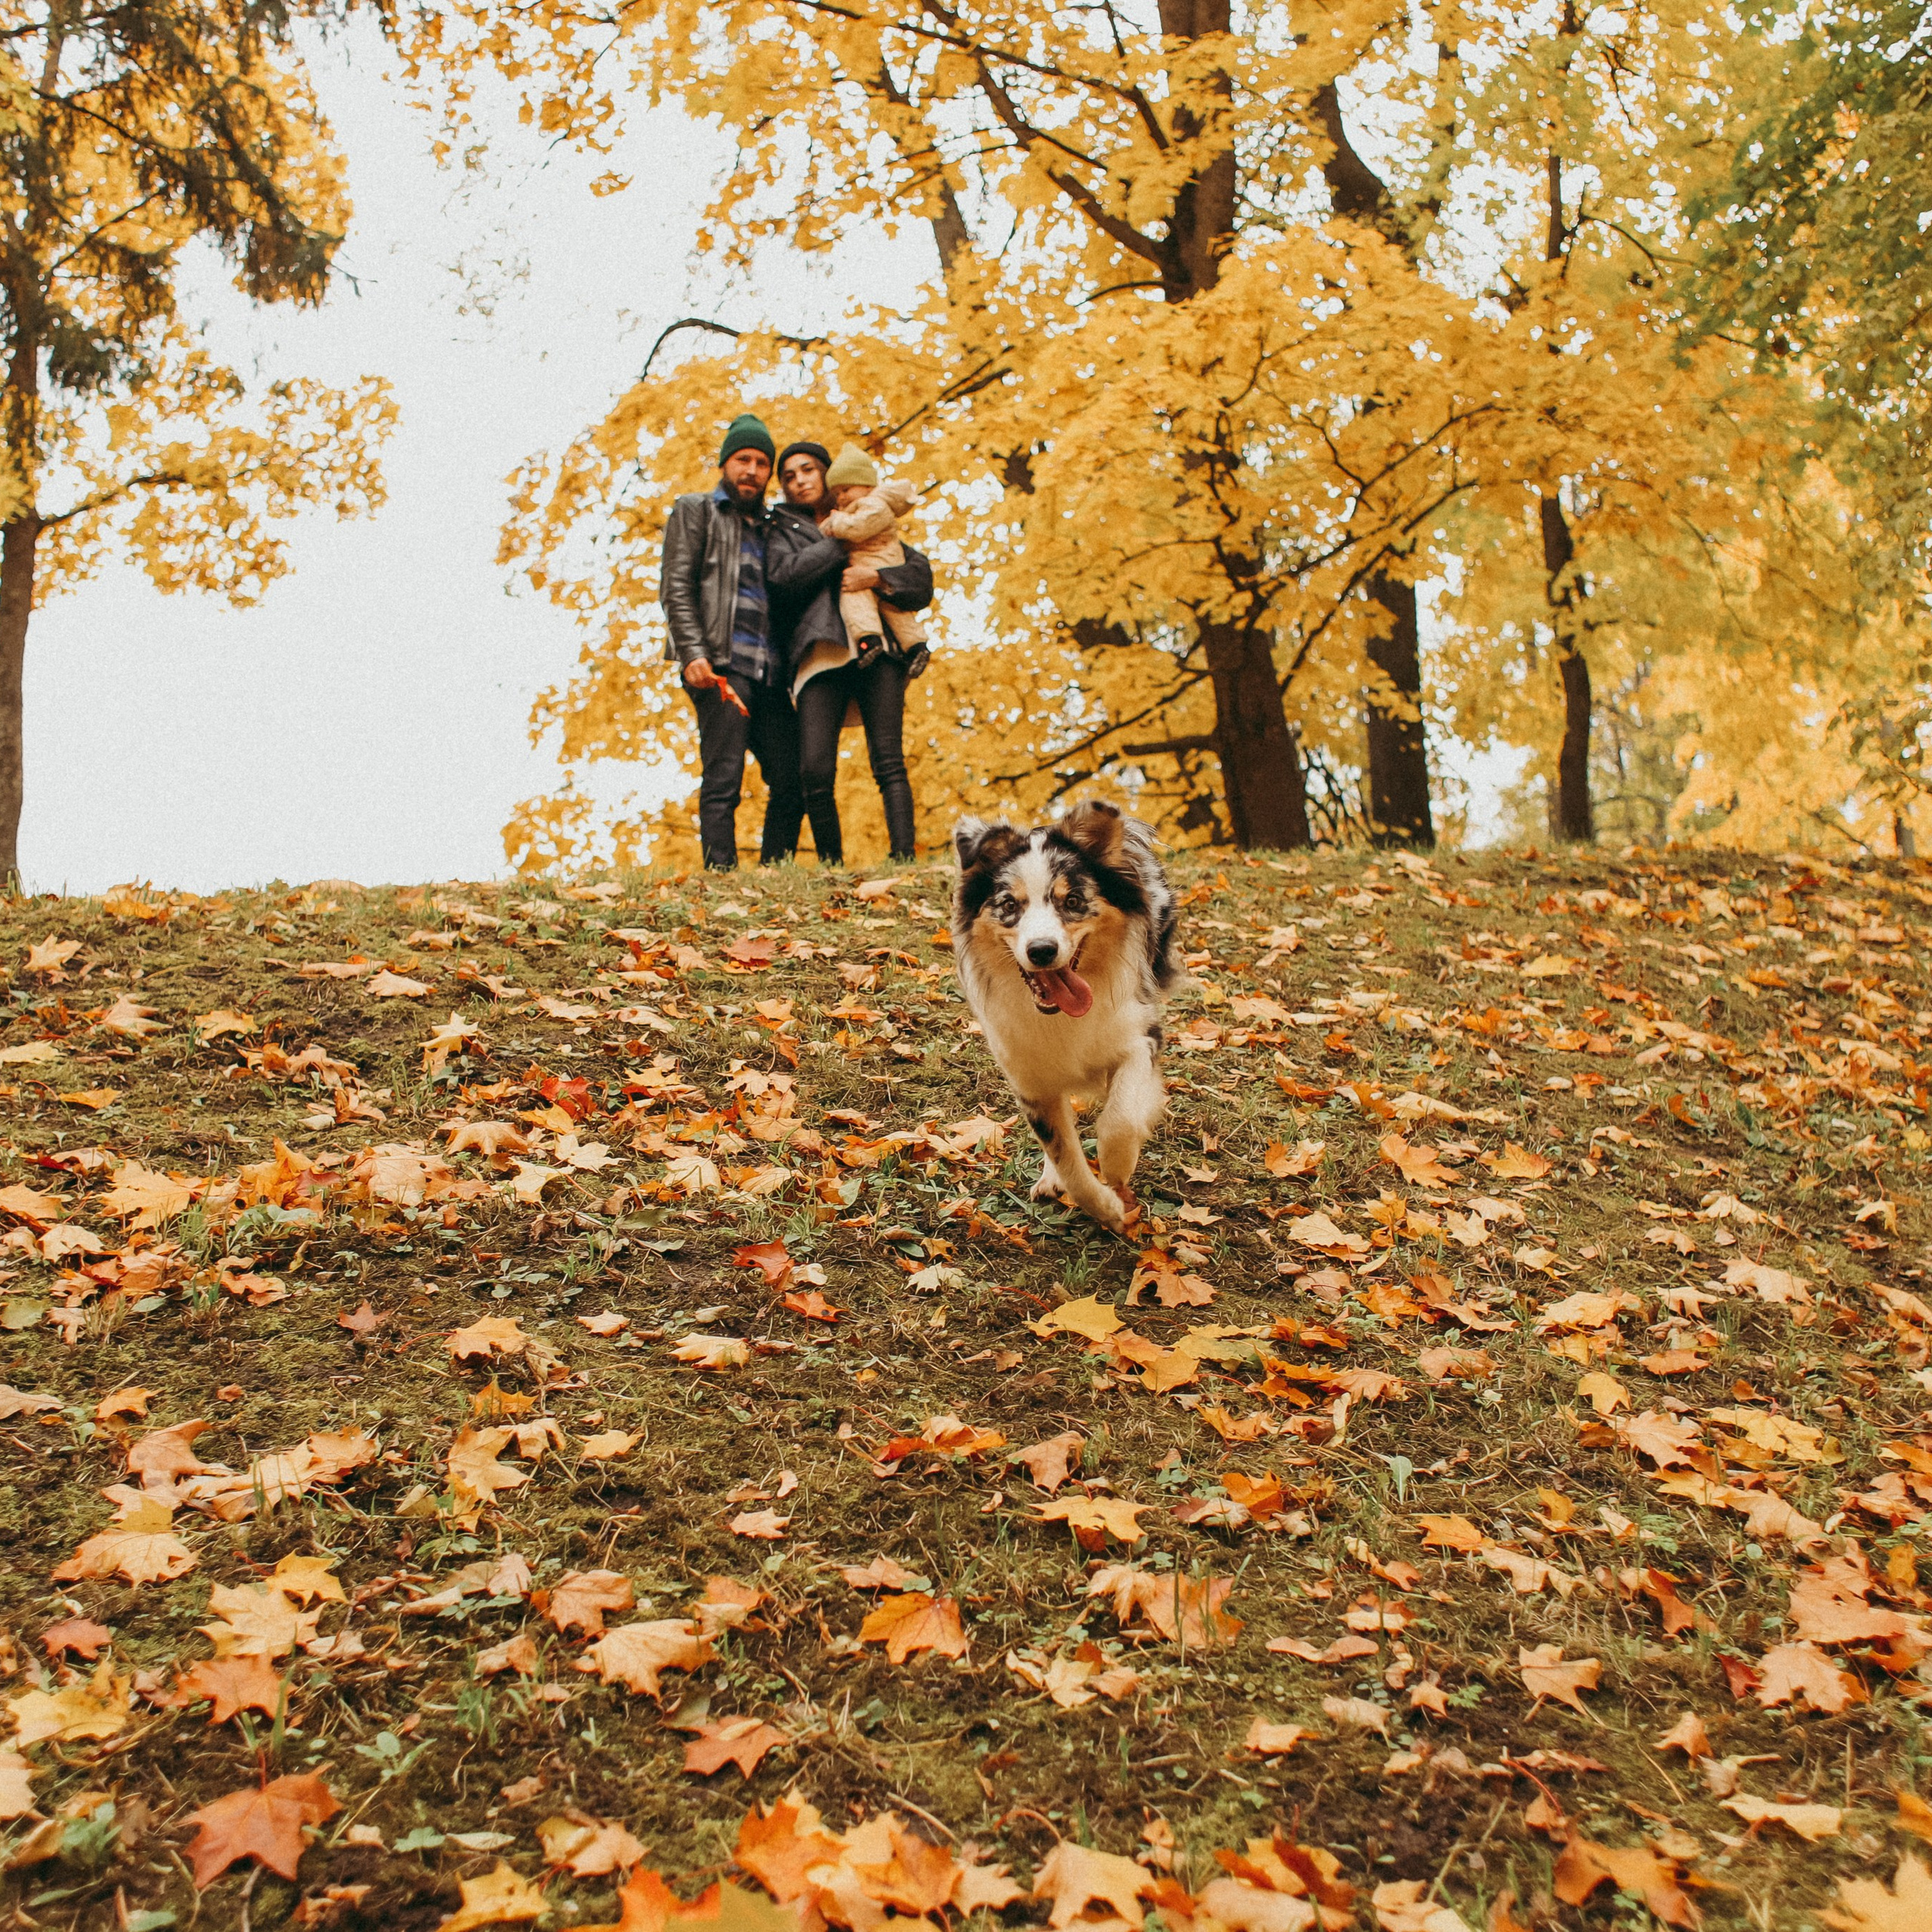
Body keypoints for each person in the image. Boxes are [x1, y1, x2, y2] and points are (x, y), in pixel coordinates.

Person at [765, 441, 931, 866]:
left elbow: (919, 578)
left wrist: (875, 576)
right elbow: (783, 579)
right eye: (788, 476)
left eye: (807, 470)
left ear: (829, 474)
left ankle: (903, 858)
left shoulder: (870, 511)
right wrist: (840, 541)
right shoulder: (783, 529)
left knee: (888, 760)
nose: (799, 480)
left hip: (881, 651)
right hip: (818, 653)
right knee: (814, 771)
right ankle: (830, 865)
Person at [657, 412, 804, 870]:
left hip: (772, 672)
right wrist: (692, 653)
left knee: (792, 776)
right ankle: (720, 873)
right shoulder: (696, 510)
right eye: (743, 459)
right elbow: (676, 585)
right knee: (724, 775)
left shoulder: (774, 528)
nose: (752, 471)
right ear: (726, 463)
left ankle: (774, 872)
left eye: (762, 463)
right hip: (720, 664)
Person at [821, 442, 926, 672]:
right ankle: (914, 647)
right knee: (892, 611)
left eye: (846, 489)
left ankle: (871, 641)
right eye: (837, 493)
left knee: (856, 599)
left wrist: (835, 522)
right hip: (873, 563)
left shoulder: (875, 506)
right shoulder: (865, 506)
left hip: (879, 562)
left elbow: (856, 529)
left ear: (867, 486)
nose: (841, 497)